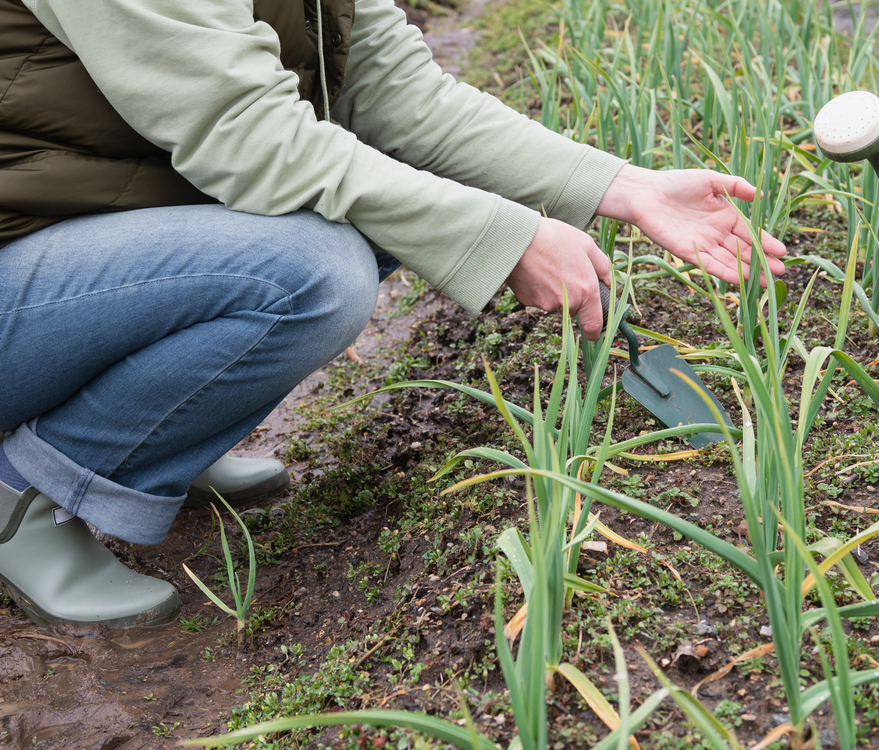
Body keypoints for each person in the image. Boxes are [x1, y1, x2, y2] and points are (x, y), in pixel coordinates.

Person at [0, 0, 786, 629]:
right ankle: (23, 500)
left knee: (385, 210)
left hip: (70, 245)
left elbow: (401, 97)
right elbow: (251, 141)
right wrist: (503, 239)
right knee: (312, 273)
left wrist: (626, 187)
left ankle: (157, 434)